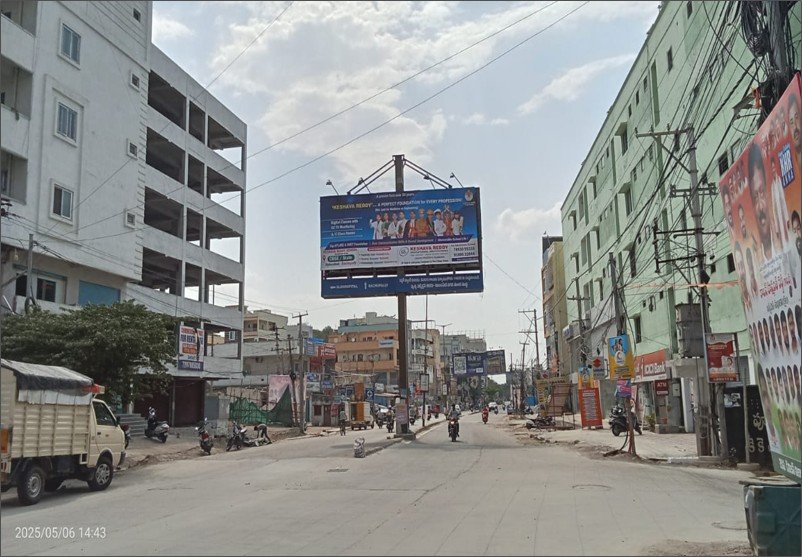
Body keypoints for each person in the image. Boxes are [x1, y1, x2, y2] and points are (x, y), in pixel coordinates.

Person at [747, 142, 776, 261]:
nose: (760, 207)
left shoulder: (787, 239)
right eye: (755, 197)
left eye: (762, 193)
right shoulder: (755, 260)